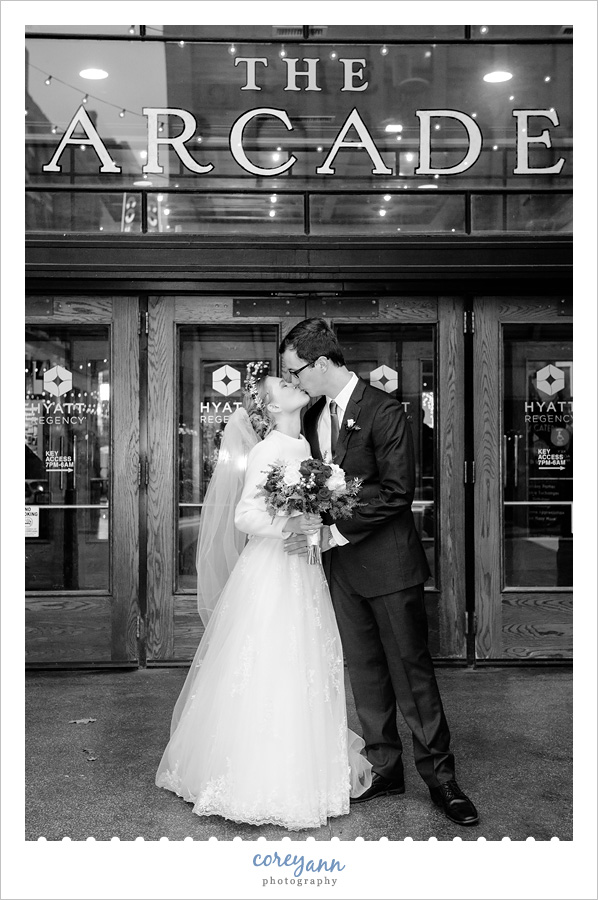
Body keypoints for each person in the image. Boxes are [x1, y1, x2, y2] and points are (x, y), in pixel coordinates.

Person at [280, 319, 479, 827]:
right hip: (341, 571)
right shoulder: (314, 418)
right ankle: (384, 768)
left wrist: (333, 529)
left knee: (412, 676)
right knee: (365, 675)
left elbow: (396, 495)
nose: (295, 381)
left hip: (388, 566)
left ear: (322, 363)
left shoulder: (385, 411)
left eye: (296, 371)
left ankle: (442, 779)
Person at [156, 364, 372, 830]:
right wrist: (289, 525)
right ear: (272, 407)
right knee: (268, 662)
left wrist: (317, 519)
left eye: (295, 380)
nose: (296, 385)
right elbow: (245, 516)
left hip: (304, 568)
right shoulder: (267, 449)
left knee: (304, 664)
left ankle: (303, 771)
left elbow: (313, 505)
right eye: (285, 386)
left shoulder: (307, 445)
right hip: (271, 569)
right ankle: (254, 777)